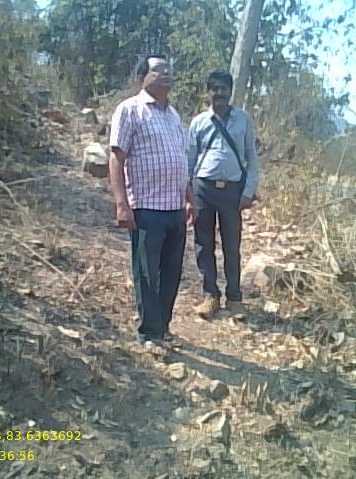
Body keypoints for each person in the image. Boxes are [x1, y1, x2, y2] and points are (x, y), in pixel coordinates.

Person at [109, 55, 197, 354]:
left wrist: (189, 198)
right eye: (159, 70)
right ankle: (149, 333)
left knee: (171, 273)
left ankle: (163, 328)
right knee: (147, 272)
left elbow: (179, 161)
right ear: (142, 77)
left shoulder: (173, 115)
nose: (166, 73)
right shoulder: (130, 110)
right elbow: (117, 159)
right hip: (146, 208)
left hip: (175, 208)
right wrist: (122, 204)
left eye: (169, 69)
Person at [188, 70, 259, 319]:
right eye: (215, 88)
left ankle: (235, 298)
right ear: (208, 92)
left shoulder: (243, 120)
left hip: (232, 191)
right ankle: (210, 296)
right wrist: (188, 195)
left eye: (224, 88)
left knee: (232, 245)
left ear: (230, 91)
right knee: (203, 244)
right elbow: (189, 161)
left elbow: (251, 158)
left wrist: (248, 192)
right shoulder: (198, 122)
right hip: (203, 189)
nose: (219, 93)